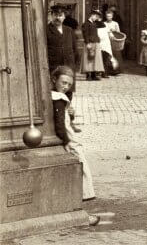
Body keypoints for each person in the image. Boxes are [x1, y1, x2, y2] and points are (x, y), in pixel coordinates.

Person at [51, 65, 97, 207]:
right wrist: (65, 140)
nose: (66, 87)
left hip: (68, 136)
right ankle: (86, 194)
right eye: (63, 82)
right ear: (54, 79)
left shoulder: (58, 97)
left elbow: (64, 120)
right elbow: (59, 124)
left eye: (69, 84)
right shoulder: (58, 98)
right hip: (68, 139)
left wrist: (70, 114)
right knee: (81, 162)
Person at [46, 6, 76, 74]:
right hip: (53, 67)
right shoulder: (46, 30)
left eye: (60, 15)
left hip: (69, 67)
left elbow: (75, 49)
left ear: (64, 17)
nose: (58, 18)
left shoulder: (69, 30)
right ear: (51, 16)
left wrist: (73, 64)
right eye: (56, 15)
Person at [80, 10, 104, 81]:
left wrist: (99, 19)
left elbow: (103, 25)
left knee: (95, 59)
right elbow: (85, 34)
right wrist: (87, 43)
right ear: (91, 15)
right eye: (95, 16)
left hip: (96, 42)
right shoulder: (86, 24)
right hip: (90, 42)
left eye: (97, 17)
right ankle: (88, 75)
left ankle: (94, 75)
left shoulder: (95, 23)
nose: (96, 18)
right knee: (88, 59)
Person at [95, 11, 115, 78]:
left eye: (99, 17)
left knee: (106, 58)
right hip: (98, 44)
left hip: (106, 44)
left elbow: (109, 32)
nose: (98, 18)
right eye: (96, 17)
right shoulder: (94, 25)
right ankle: (97, 73)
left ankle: (105, 73)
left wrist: (112, 36)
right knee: (98, 58)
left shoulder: (105, 25)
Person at [102, 9, 121, 75]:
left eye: (110, 16)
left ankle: (115, 70)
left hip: (114, 41)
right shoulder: (104, 23)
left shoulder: (115, 23)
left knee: (115, 55)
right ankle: (108, 70)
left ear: (112, 16)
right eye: (107, 16)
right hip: (106, 41)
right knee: (108, 55)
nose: (108, 17)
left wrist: (114, 31)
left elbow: (119, 33)